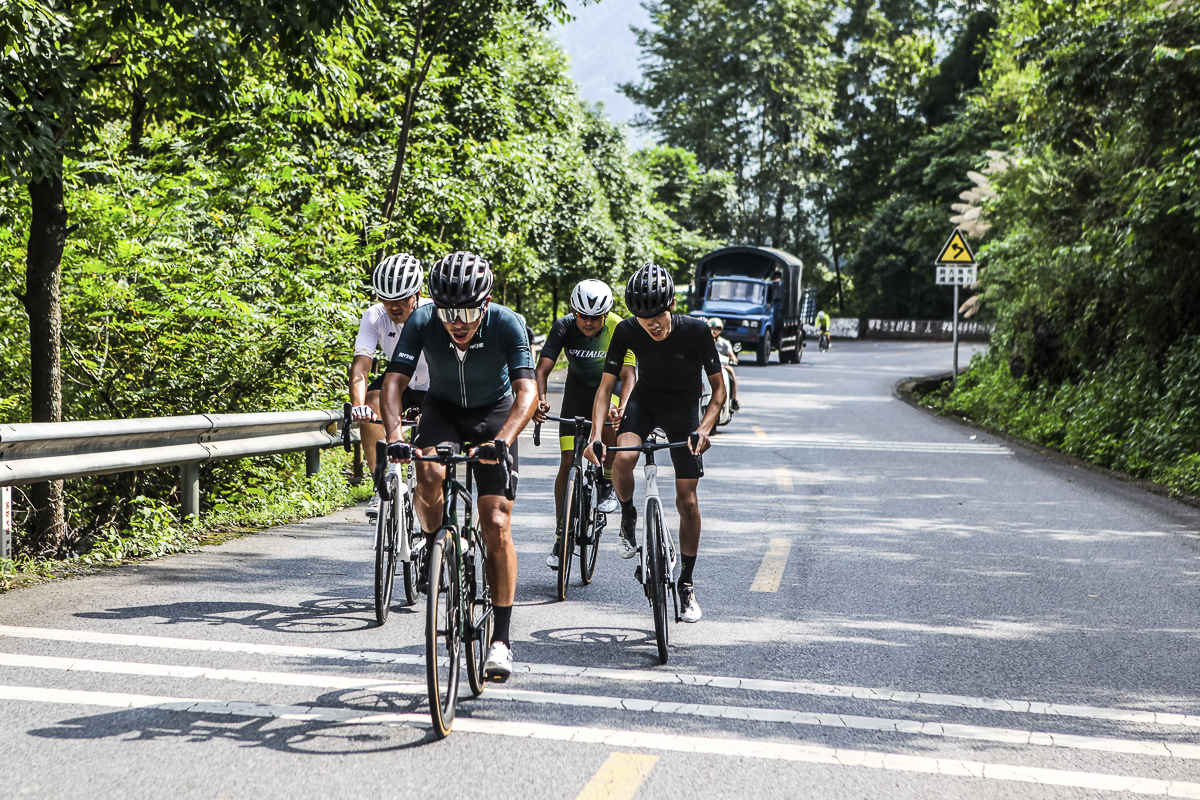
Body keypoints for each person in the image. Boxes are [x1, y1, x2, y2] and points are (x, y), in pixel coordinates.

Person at [379, 251, 537, 681]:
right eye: (448, 312)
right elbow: (393, 383)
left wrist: (503, 441)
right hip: (443, 410)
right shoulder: (423, 320)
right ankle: (437, 547)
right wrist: (395, 436)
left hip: (494, 414)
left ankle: (501, 640)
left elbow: (527, 392)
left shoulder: (507, 323)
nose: (457, 322)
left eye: (467, 312)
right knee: (429, 473)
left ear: (486, 303)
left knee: (496, 521)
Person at [585, 263, 725, 623]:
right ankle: (628, 514)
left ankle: (686, 583)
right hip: (644, 403)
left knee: (687, 500)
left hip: (684, 410)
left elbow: (718, 390)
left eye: (658, 316)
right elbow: (605, 387)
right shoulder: (627, 330)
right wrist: (595, 435)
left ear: (672, 305)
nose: (653, 325)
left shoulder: (696, 331)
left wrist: (705, 428)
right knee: (624, 457)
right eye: (644, 319)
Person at [534, 279, 638, 570]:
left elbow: (628, 375)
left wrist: (624, 407)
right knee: (567, 462)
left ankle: (606, 480)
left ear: (606, 314)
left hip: (612, 388)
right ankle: (561, 535)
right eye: (582, 316)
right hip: (577, 392)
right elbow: (542, 369)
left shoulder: (619, 327)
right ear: (573, 312)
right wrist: (540, 400)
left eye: (596, 317)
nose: (589, 322)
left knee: (610, 423)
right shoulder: (564, 326)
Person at [349, 254, 431, 520]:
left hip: (434, 383)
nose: (393, 307)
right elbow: (361, 368)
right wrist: (359, 407)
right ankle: (381, 485)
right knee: (371, 403)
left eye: (401, 299)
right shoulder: (374, 315)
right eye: (386, 299)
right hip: (399, 380)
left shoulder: (434, 313)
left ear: (417, 293)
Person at [706, 317, 740, 412]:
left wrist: (733, 358)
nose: (714, 331)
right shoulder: (705, 341)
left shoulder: (725, 343)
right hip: (707, 366)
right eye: (712, 328)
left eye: (717, 329)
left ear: (720, 330)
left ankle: (733, 400)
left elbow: (731, 354)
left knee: (732, 374)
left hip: (722, 365)